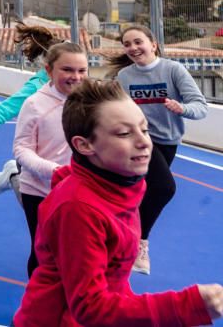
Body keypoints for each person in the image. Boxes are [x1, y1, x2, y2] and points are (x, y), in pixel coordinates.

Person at [12, 79, 222, 327]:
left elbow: (114, 275)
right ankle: (16, 179)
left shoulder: (125, 185)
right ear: (84, 144)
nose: (144, 141)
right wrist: (187, 306)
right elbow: (90, 308)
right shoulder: (79, 210)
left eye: (144, 129)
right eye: (124, 133)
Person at [109, 25, 208, 275]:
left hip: (168, 141)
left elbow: (200, 106)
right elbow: (117, 109)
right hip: (140, 139)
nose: (132, 48)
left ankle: (116, 238)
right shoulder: (124, 77)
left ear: (153, 44)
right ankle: (138, 243)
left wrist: (182, 109)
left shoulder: (172, 70)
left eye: (137, 42)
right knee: (164, 187)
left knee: (139, 193)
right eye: (127, 44)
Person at [13, 42, 88, 278]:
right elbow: (22, 148)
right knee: (43, 252)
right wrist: (54, 171)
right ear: (49, 71)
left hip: (80, 191)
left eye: (82, 70)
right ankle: (34, 310)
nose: (75, 77)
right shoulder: (34, 104)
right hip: (40, 190)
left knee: (77, 252)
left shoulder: (94, 102)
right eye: (67, 70)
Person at [0, 23, 64, 197]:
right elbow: (5, 109)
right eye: (65, 65)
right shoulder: (36, 87)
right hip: (38, 157)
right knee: (38, 211)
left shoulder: (79, 86)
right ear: (49, 65)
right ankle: (13, 176)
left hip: (64, 156)